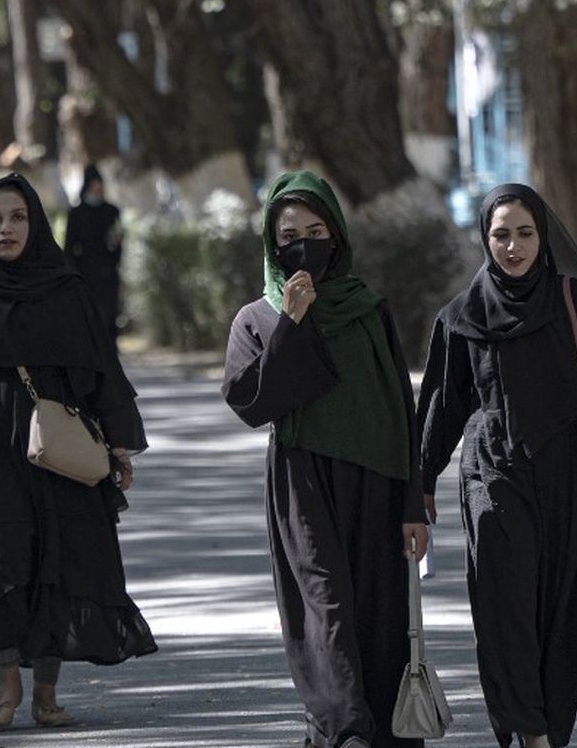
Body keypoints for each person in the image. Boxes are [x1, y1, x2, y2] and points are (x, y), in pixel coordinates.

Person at [0, 172, 156, 729]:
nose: (6, 229)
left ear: (37, 223)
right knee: (3, 567)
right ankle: (7, 682)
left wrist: (120, 447)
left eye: (18, 217)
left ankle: (46, 691)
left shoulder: (69, 293)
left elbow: (103, 372)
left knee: (61, 564)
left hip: (61, 455)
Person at [416, 183, 577, 748]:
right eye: (501, 234)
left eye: (525, 233)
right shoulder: (460, 317)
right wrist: (419, 484)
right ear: (485, 240)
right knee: (504, 606)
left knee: (563, 606)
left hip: (566, 472)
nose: (514, 246)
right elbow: (440, 408)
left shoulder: (573, 301)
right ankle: (528, 728)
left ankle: (552, 727)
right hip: (493, 475)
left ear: (543, 235)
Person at [220, 170, 427, 748]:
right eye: (289, 236)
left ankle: (379, 731)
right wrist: (291, 323)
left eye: (316, 230)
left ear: (337, 234)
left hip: (379, 483)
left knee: (378, 614)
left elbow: (399, 409)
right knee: (326, 605)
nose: (303, 245)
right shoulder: (257, 318)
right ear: (271, 243)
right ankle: (345, 731)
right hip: (303, 480)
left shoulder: (369, 310)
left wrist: (415, 503)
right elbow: (253, 403)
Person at [63, 164, 123, 338]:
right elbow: (69, 246)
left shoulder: (112, 211)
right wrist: (73, 272)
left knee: (109, 316)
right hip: (85, 274)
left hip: (108, 273)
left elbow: (117, 243)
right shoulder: (76, 213)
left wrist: (115, 247)